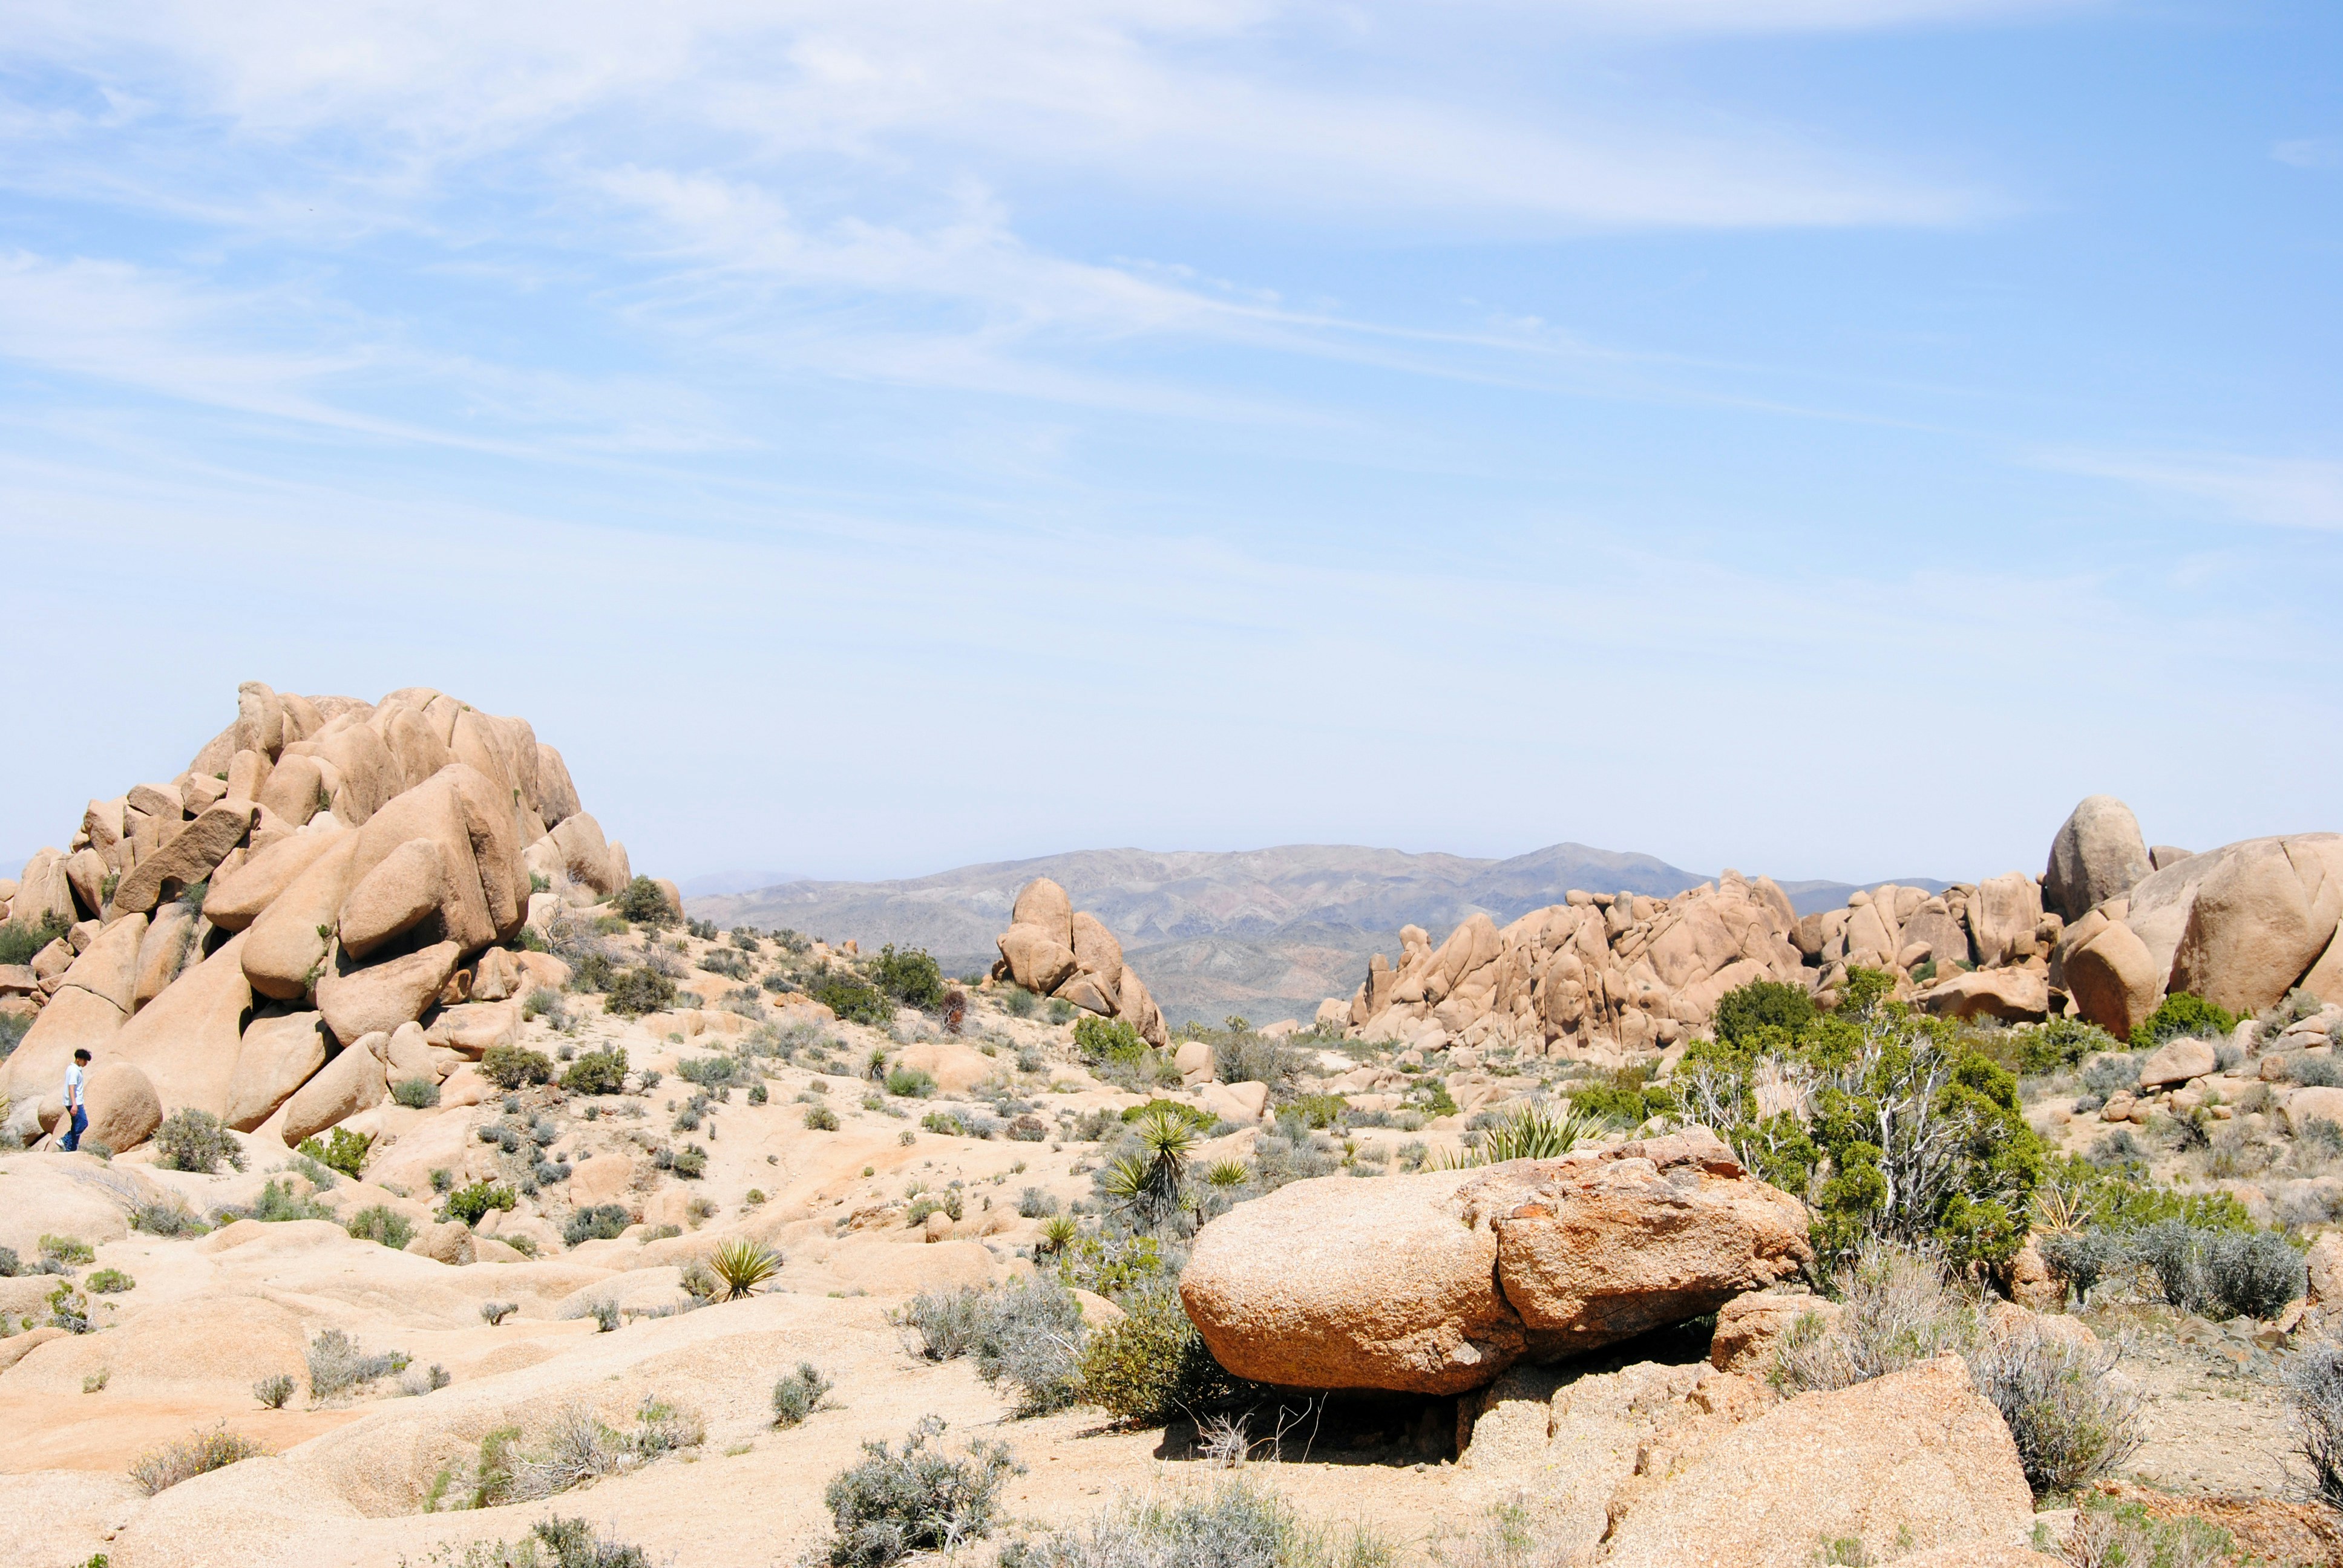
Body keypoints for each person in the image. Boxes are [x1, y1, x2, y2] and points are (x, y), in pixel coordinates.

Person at [61, 1048, 91, 1152]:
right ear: (78, 1059)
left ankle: (71, 1149)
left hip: (74, 1102)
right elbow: (71, 1087)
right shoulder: (74, 1071)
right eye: (85, 1060)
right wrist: (74, 1104)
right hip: (75, 1103)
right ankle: (65, 1140)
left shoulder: (73, 1069)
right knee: (83, 1123)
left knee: (77, 1125)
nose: (86, 1063)